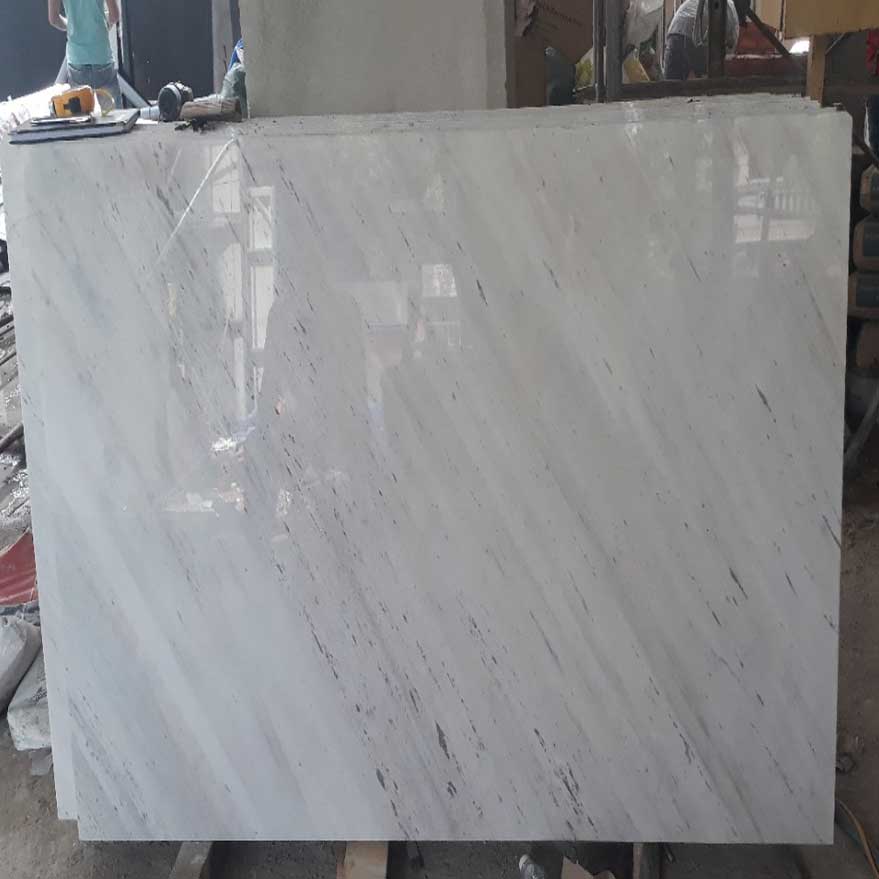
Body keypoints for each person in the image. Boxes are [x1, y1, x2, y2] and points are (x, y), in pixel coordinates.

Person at [48, 0, 122, 108]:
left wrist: (70, 27)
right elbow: (114, 15)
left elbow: (54, 19)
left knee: (81, 115)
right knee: (114, 115)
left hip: (76, 60)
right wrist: (105, 26)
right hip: (102, 56)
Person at [664, 0, 740, 81]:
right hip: (697, 36)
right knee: (711, 80)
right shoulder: (730, 6)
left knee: (671, 82)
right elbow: (732, 41)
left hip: (675, 33)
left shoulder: (692, 2)